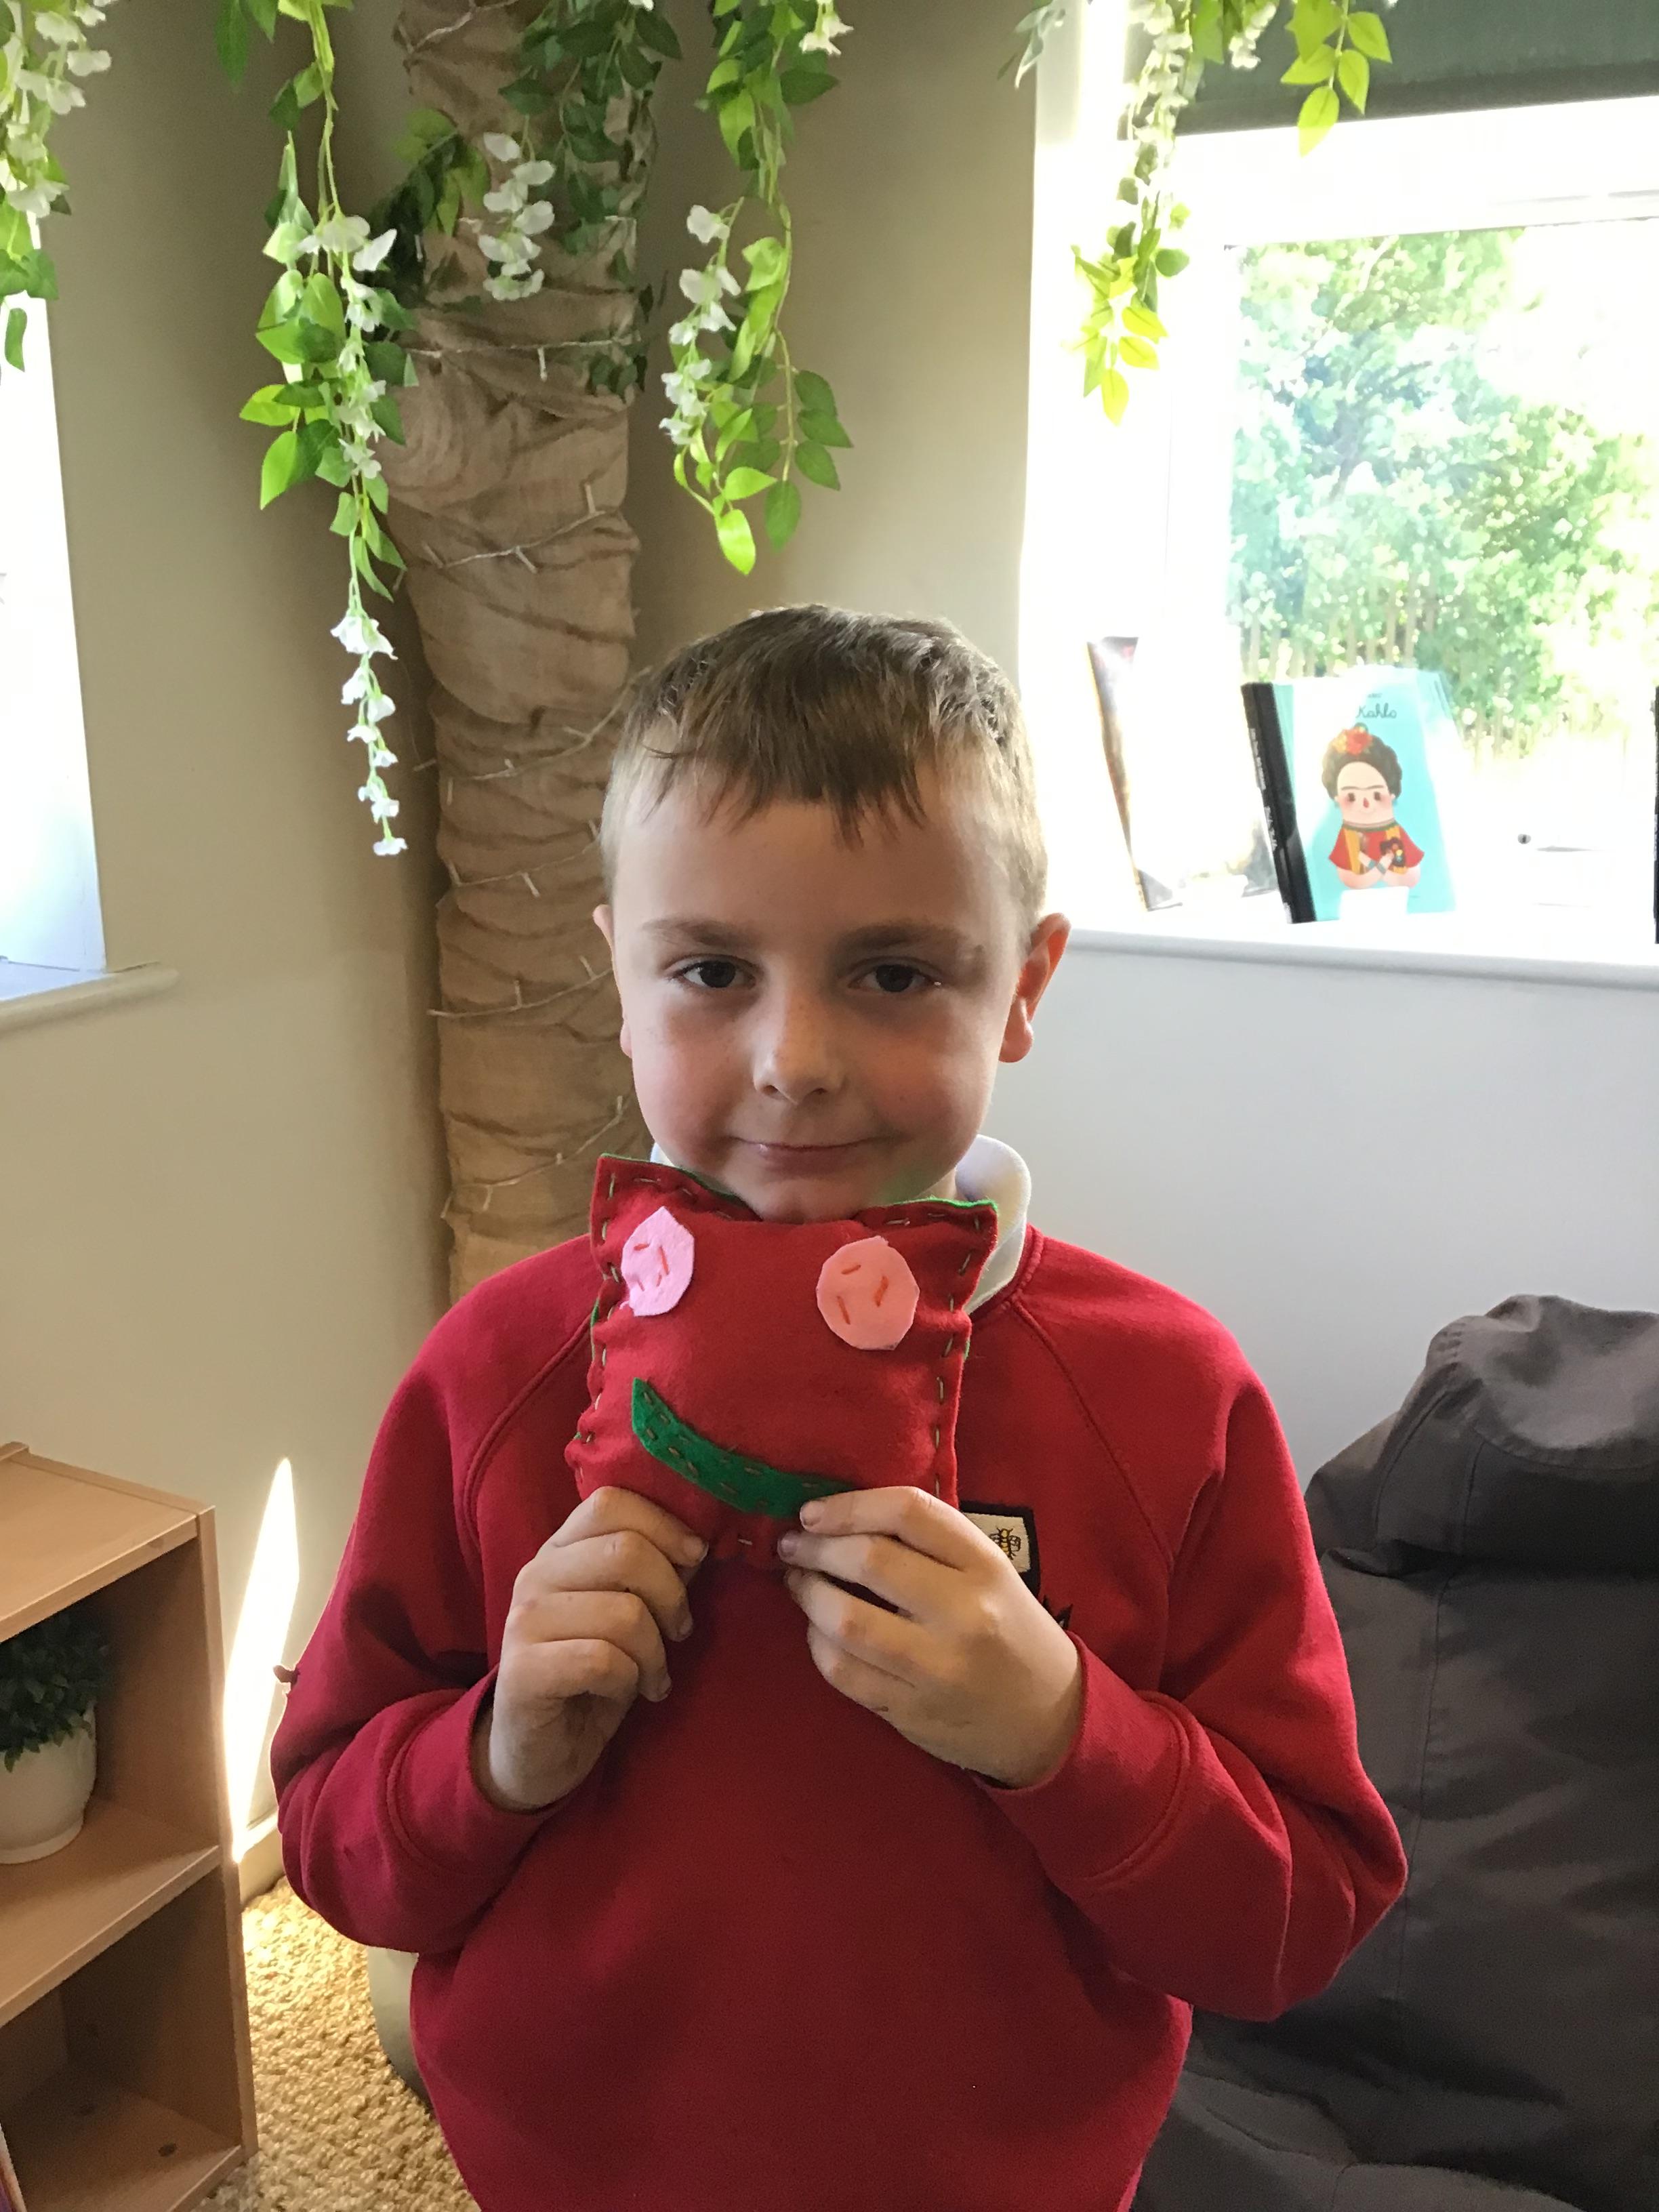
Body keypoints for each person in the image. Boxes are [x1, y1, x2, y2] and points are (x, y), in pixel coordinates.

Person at [271, 605, 1406, 2212]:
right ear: (617, 975)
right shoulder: (493, 1374)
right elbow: (333, 1838)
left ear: (1024, 987)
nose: (792, 1059)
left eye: (891, 972)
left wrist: (1063, 1731)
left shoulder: (1170, 1399)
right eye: (709, 970)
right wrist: (496, 1751)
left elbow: (1297, 1920)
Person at [1324, 722, 1425, 889]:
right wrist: (1380, 868)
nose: (1365, 804)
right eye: (1351, 797)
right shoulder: (1348, 836)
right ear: (1337, 798)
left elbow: (1413, 876)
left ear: (1391, 795)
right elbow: (1348, 878)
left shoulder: (1395, 833)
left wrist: (1380, 869)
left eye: (1376, 795)